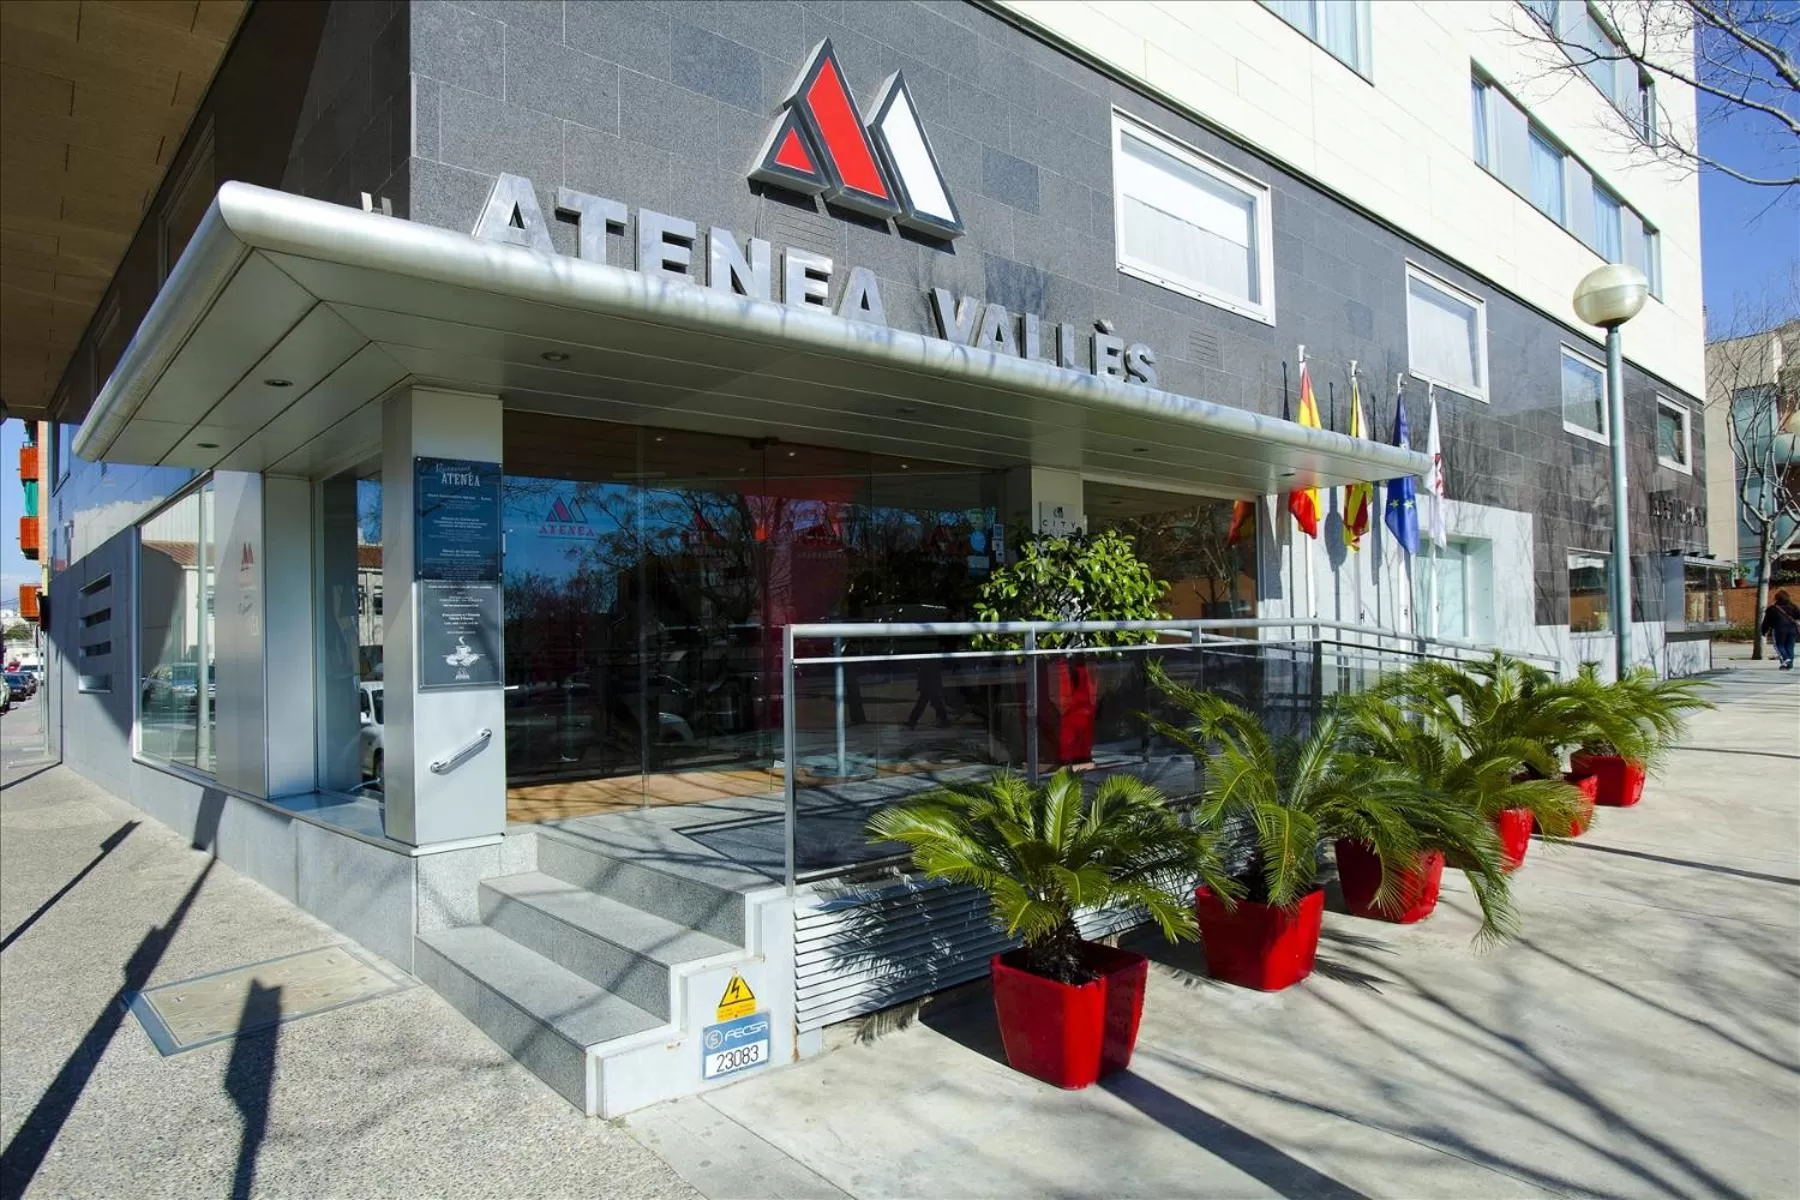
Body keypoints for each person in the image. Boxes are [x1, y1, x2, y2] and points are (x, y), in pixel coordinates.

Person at [1760, 590, 1799, 670]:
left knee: (1779, 645)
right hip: (1792, 629)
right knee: (1790, 647)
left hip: (1779, 629)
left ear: (1777, 598)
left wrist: (1764, 630)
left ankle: (1785, 659)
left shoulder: (1772, 609)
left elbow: (1766, 621)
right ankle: (1789, 665)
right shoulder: (1793, 607)